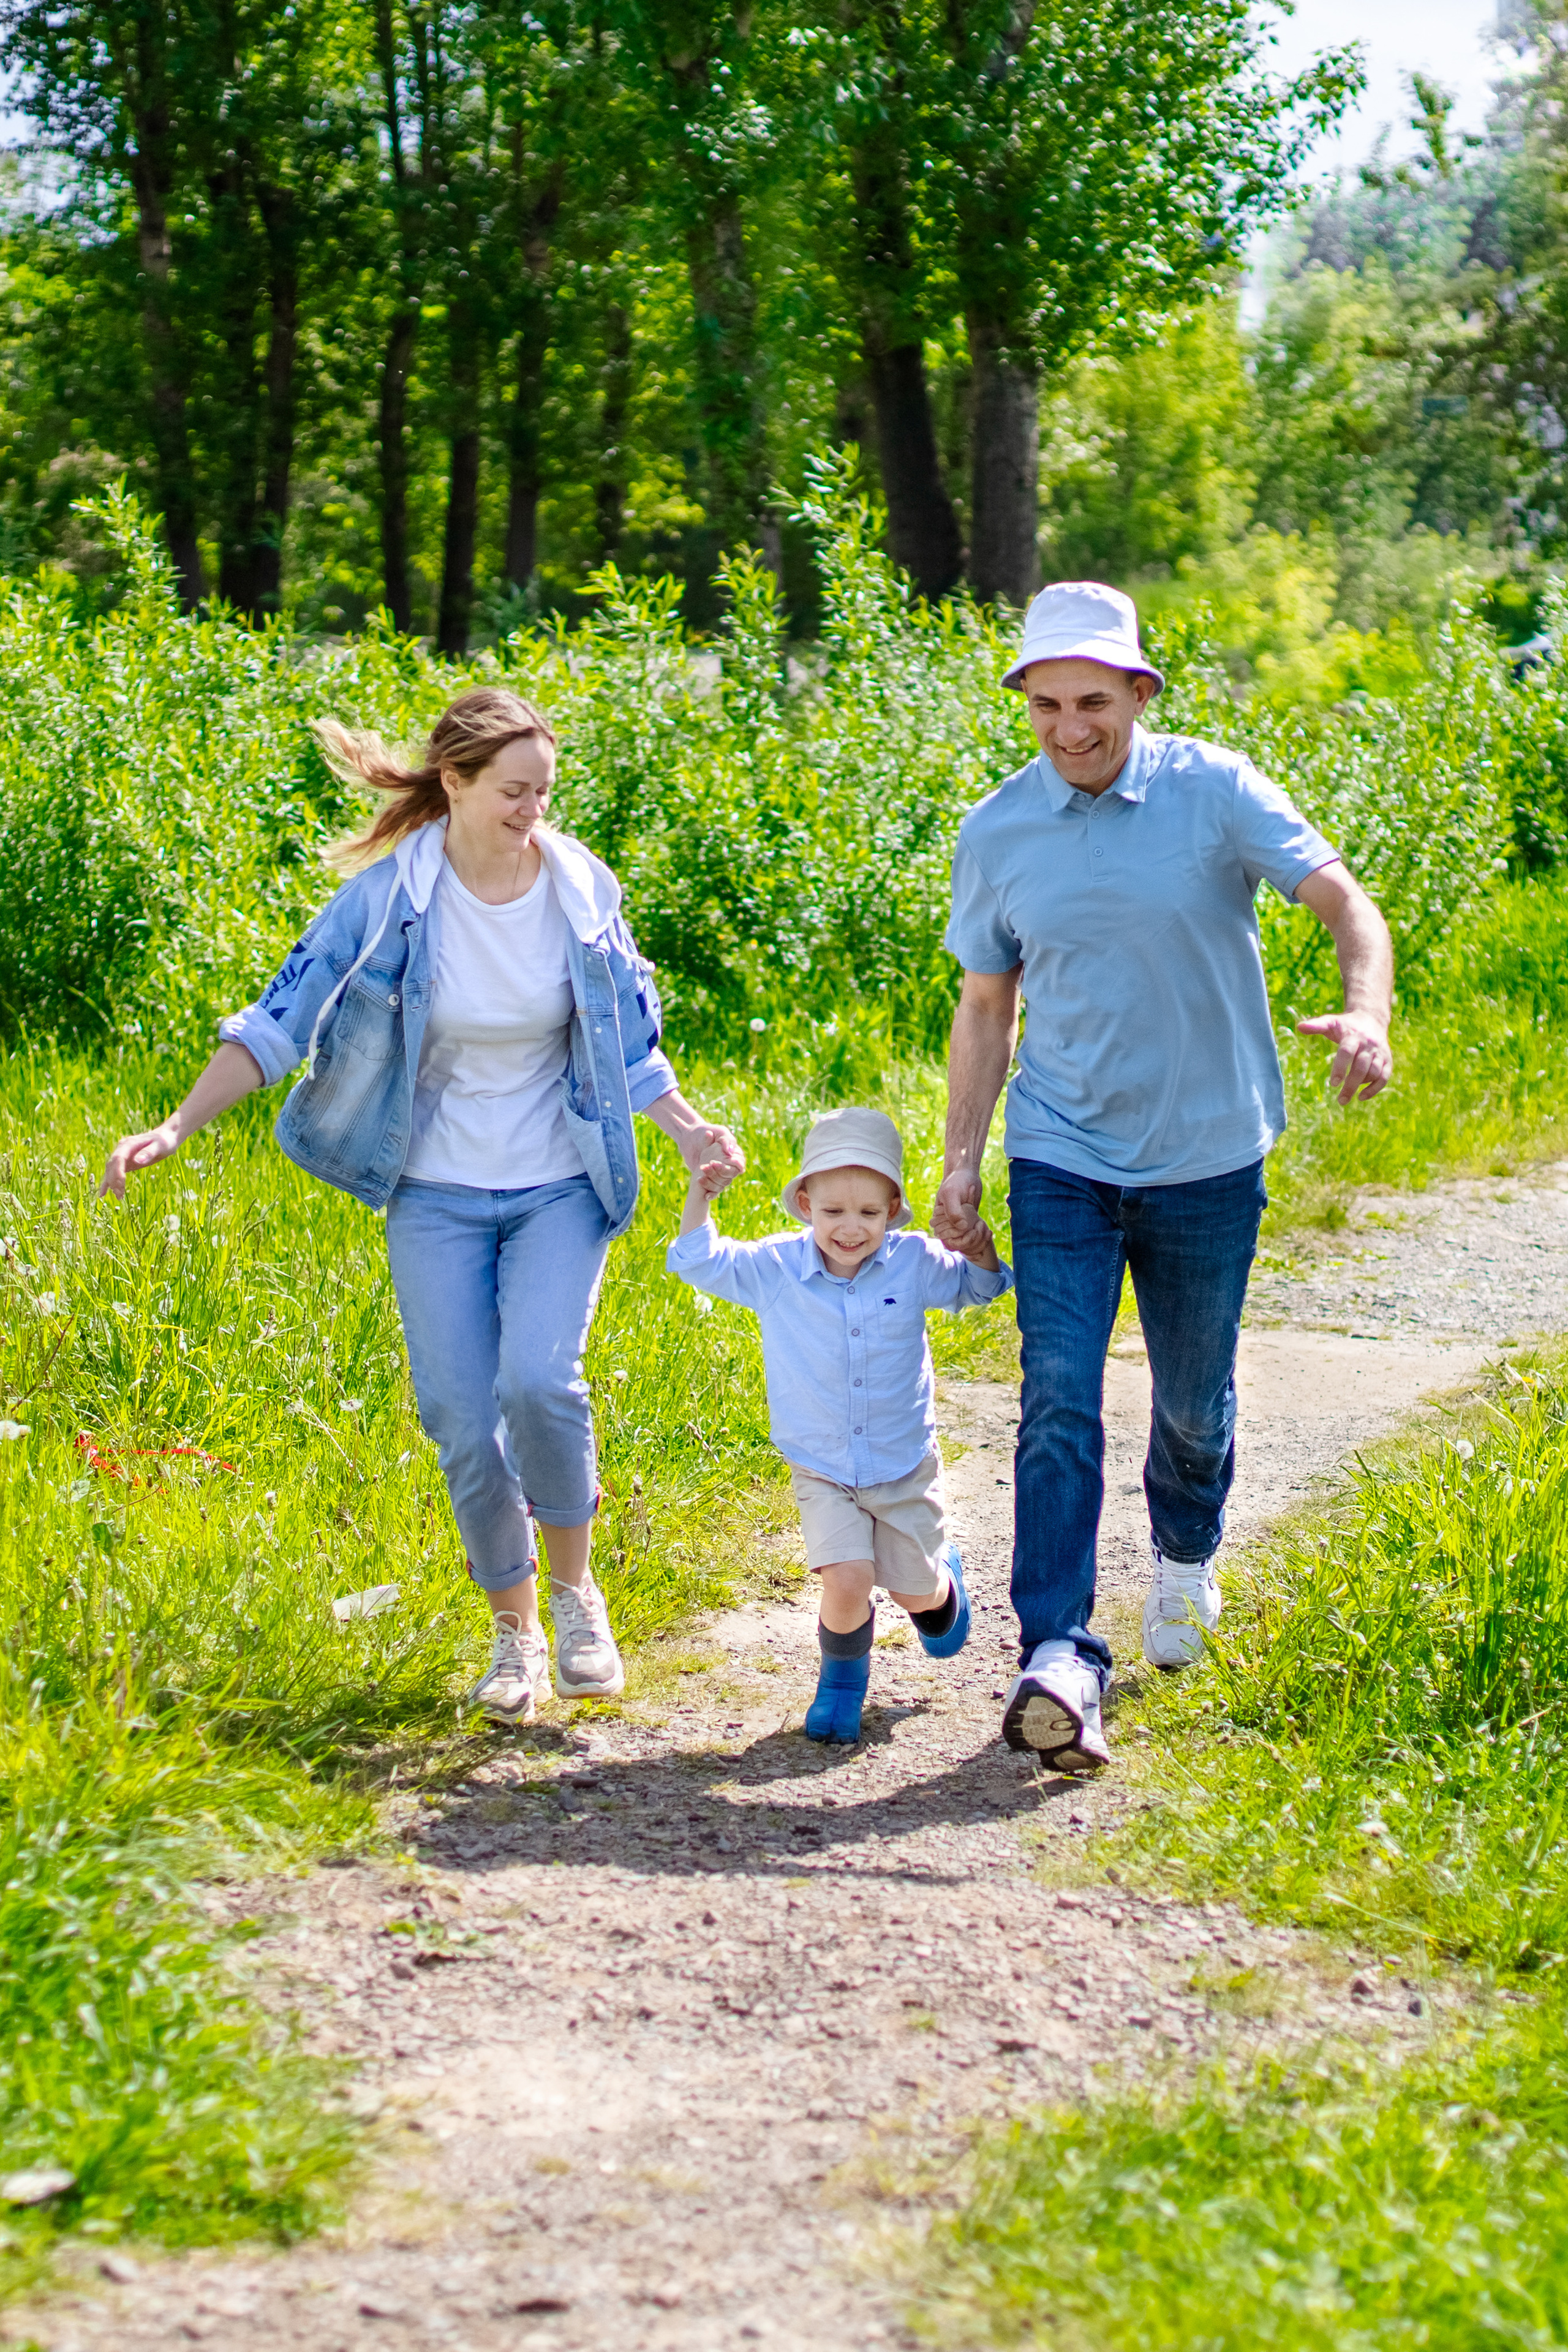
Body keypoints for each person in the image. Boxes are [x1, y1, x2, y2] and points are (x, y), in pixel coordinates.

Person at [99, 687, 743, 1725]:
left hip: (558, 1183)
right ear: (455, 782)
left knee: (540, 1381)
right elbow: (278, 1022)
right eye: (514, 790)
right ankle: (512, 1630)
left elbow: (626, 1042)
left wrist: (690, 1131)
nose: (535, 810)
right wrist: (177, 1126)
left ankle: (578, 1596)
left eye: (545, 790)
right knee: (456, 1414)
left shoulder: (581, 889)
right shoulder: (390, 899)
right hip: (432, 1190)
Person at [932, 581, 1393, 1773]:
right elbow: (985, 1004)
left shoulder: (1212, 790)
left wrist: (1362, 1014)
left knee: (1190, 1398)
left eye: (1090, 701)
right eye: (1044, 705)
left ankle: (1183, 1564)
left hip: (1205, 1155)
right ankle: (1056, 1651)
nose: (1067, 727)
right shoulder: (998, 831)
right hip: (1060, 1154)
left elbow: (1347, 905)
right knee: (1057, 1396)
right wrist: (958, 1170)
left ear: (1138, 693)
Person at [667, 1106, 1012, 1743]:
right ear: (804, 1203)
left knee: (917, 1597)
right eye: (833, 1212)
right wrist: (701, 1193)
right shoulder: (776, 1270)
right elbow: (697, 1260)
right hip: (821, 1462)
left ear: (892, 1209)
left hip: (902, 1462)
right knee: (848, 1577)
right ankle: (841, 1688)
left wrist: (980, 1248)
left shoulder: (913, 1263)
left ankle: (941, 1586)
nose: (850, 1229)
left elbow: (981, 1290)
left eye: (868, 1214)